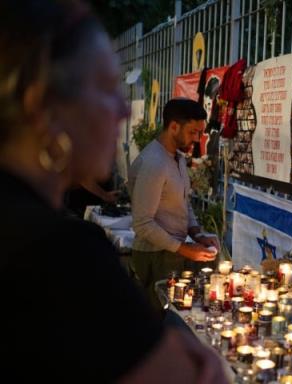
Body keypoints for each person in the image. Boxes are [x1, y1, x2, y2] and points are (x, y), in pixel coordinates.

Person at [0, 1, 227, 382]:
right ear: (42, 106)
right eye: (106, 89)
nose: (123, 110)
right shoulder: (59, 253)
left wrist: (194, 231)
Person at [129, 98, 219, 309]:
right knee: (159, 320)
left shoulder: (176, 158)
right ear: (173, 126)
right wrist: (185, 249)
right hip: (155, 256)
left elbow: (183, 203)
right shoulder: (154, 163)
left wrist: (198, 234)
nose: (197, 139)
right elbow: (143, 224)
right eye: (192, 132)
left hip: (172, 252)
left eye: (200, 133)